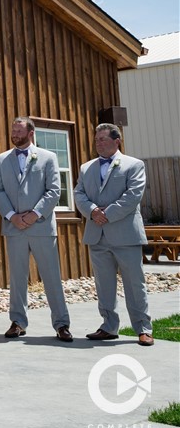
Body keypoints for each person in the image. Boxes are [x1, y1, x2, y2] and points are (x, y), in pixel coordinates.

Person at [0, 117, 72, 342]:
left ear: (31, 133)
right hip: (14, 227)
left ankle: (62, 324)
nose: (14, 134)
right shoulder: (1, 160)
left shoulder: (48, 157)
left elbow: (54, 190)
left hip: (41, 227)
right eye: (13, 130)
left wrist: (34, 214)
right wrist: (11, 216)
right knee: (17, 278)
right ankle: (18, 322)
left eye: (19, 131)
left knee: (51, 277)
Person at [74, 123, 153, 346]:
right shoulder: (86, 167)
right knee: (104, 284)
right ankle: (109, 326)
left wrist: (105, 214)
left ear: (116, 141)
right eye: (96, 139)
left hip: (125, 235)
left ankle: (143, 328)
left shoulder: (134, 165)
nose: (98, 143)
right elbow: (79, 194)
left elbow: (132, 196)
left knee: (134, 284)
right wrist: (92, 211)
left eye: (103, 139)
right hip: (97, 236)